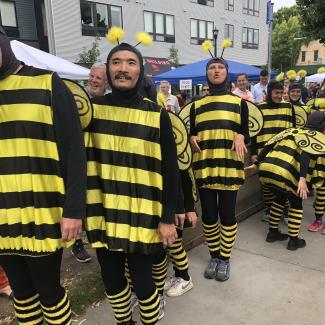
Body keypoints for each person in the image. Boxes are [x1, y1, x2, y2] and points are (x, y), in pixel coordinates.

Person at [84, 41, 179, 325]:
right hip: (103, 212)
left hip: (143, 215)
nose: (122, 68)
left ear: (140, 71)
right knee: (112, 282)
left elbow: (171, 171)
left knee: (144, 284)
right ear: (108, 69)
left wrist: (167, 218)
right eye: (116, 62)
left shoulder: (157, 114)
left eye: (130, 62)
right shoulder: (91, 111)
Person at [0, 27, 86, 324]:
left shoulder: (47, 83)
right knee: (21, 293)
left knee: (48, 290)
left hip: (42, 210)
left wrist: (74, 210)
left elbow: (74, 152)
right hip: (1, 216)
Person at [190, 57, 249, 281]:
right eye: (212, 68)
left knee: (226, 215)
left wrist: (242, 135)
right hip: (204, 167)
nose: (216, 71)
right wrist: (191, 135)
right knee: (209, 216)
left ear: (227, 72)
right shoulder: (197, 105)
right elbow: (193, 132)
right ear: (207, 74)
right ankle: (214, 255)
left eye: (220, 67)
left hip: (229, 167)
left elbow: (246, 131)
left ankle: (225, 258)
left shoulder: (239, 103)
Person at [246, 111, 325, 250]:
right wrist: (302, 179)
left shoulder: (292, 130)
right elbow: (306, 154)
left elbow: (269, 144)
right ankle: (293, 241)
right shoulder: (316, 136)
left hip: (267, 170)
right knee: (296, 204)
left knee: (280, 199)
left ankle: (272, 233)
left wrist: (256, 164)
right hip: (285, 173)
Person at [251, 80, 296, 222]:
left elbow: (294, 130)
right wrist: (253, 153)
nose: (279, 96)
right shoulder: (259, 108)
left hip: (284, 152)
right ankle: (270, 208)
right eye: (276, 93)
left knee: (284, 183)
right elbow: (254, 132)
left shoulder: (288, 107)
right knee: (266, 183)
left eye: (281, 93)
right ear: (269, 92)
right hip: (264, 152)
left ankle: (286, 210)